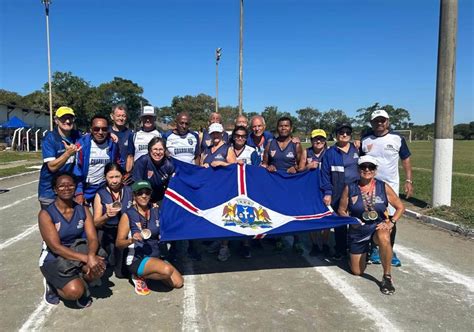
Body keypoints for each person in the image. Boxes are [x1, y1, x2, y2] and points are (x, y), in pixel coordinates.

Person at [338, 155, 405, 295]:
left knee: (384, 236)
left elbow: (400, 207)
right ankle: (358, 253)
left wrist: (391, 222)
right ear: (358, 169)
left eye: (371, 167)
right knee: (357, 271)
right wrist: (351, 221)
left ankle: (387, 277)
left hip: (377, 227)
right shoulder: (350, 188)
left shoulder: (383, 186)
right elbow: (341, 210)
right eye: (363, 167)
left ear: (375, 170)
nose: (367, 170)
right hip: (358, 230)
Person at [38, 172, 106, 307]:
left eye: (70, 185)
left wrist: (91, 255)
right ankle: (53, 284)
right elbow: (56, 247)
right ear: (55, 190)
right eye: (61, 186)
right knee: (75, 292)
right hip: (54, 256)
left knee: (100, 267)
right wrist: (87, 259)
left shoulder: (83, 210)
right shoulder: (46, 214)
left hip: (76, 249)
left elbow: (92, 238)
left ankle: (80, 278)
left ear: (75, 187)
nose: (66, 188)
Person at [361, 109, 413, 267]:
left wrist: (409, 180)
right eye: (376, 121)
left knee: (391, 218)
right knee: (370, 215)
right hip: (369, 185)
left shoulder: (397, 138)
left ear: (387, 121)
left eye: (382, 120)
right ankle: (374, 248)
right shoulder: (365, 139)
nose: (379, 123)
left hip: (390, 185)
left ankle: (390, 248)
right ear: (371, 123)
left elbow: (406, 159)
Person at [116, 180, 184, 295]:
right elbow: (119, 243)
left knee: (178, 283)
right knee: (167, 271)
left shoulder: (156, 210)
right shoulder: (128, 215)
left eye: (147, 192)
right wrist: (132, 240)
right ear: (134, 195)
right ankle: (138, 275)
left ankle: (155, 270)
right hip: (138, 259)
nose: (144, 195)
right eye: (140, 193)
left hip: (156, 256)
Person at [261, 117, 305, 253]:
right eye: (281, 126)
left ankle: (297, 240)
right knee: (277, 211)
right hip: (275, 184)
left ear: (291, 128)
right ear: (277, 128)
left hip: (291, 184)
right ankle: (278, 239)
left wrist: (295, 168)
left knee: (294, 211)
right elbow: (264, 163)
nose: (283, 128)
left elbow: (301, 165)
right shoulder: (270, 144)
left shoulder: (296, 145)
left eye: (286, 126)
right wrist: (269, 167)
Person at [163, 112, 202, 260]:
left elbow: (197, 156)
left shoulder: (194, 137)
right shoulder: (167, 136)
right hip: (174, 181)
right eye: (181, 123)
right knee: (175, 214)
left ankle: (194, 247)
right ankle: (174, 249)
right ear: (176, 122)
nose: (184, 126)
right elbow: (164, 155)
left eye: (187, 123)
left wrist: (196, 173)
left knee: (193, 213)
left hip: (190, 181)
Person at [320, 123, 360, 260]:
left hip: (356, 190)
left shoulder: (357, 149)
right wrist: (328, 192)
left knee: (357, 220)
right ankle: (341, 249)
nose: (344, 135)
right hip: (338, 192)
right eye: (341, 132)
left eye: (347, 132)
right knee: (341, 222)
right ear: (336, 135)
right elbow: (325, 174)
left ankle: (358, 250)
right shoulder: (330, 153)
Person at [201, 122, 236, 261]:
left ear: (222, 134)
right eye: (213, 133)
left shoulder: (228, 149)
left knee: (225, 217)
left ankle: (225, 247)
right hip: (211, 189)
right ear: (209, 134)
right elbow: (200, 169)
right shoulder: (206, 151)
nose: (215, 135)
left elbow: (234, 168)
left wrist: (222, 164)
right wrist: (202, 167)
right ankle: (218, 241)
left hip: (224, 188)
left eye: (218, 133)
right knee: (214, 217)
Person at [93, 162, 133, 278]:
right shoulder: (100, 194)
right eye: (111, 177)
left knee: (121, 273)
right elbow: (95, 223)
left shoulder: (130, 191)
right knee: (109, 262)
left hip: (124, 232)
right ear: (105, 177)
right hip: (107, 231)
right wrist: (107, 215)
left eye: (117, 177)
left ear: (123, 176)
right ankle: (107, 253)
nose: (114, 181)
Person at [38, 106, 82, 209]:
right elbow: (52, 167)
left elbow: (94, 136)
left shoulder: (77, 135)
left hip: (68, 189)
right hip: (49, 191)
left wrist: (110, 134)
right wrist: (67, 154)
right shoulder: (49, 138)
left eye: (70, 118)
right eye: (63, 118)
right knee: (50, 222)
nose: (67, 121)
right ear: (56, 120)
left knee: (69, 222)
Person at [74, 115, 121, 205]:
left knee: (106, 217)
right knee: (84, 217)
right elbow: (77, 169)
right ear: (91, 129)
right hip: (86, 189)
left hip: (104, 188)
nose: (100, 132)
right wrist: (79, 192)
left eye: (104, 129)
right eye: (96, 129)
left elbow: (118, 163)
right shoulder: (82, 145)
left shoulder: (113, 144)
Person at [303, 129, 331, 257]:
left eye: (321, 139)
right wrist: (307, 167)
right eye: (315, 139)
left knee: (326, 216)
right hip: (310, 189)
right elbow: (299, 169)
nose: (318, 141)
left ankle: (324, 244)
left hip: (326, 189)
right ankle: (314, 244)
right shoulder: (306, 152)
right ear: (312, 140)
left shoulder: (330, 153)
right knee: (312, 217)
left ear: (325, 140)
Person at [126, 106, 162, 172]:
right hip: (138, 173)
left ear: (155, 118)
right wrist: (128, 173)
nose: (148, 120)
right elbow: (130, 157)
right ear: (141, 118)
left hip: (155, 172)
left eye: (150, 117)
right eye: (145, 117)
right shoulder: (134, 135)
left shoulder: (160, 135)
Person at [109, 104, 133, 170]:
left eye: (123, 116)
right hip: (109, 172)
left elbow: (131, 156)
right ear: (112, 116)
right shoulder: (105, 132)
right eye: (118, 116)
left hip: (125, 173)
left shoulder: (131, 134)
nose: (121, 118)